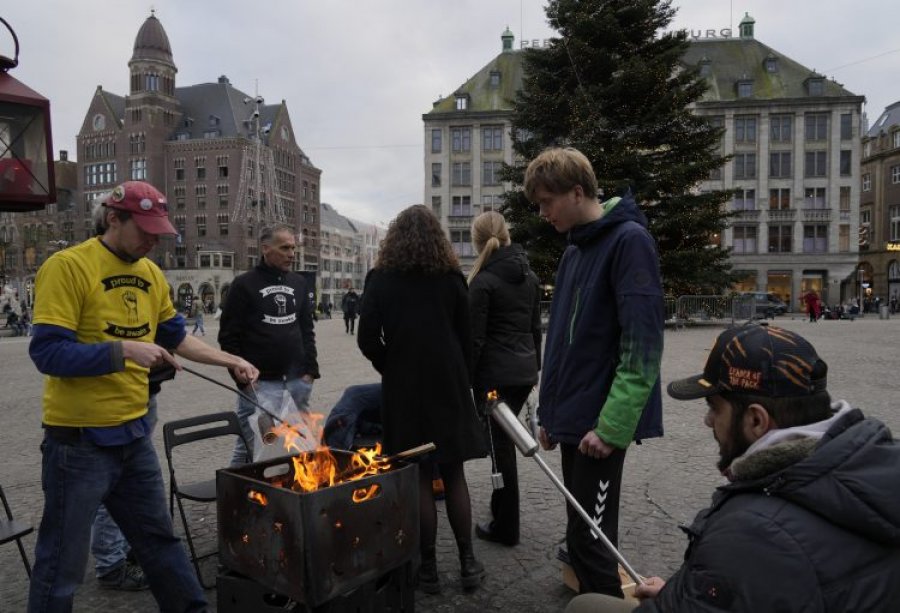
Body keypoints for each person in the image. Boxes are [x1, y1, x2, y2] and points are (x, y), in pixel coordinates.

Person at [27, 180, 259, 613]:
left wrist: (231, 360)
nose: (154, 240)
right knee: (61, 562)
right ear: (114, 218)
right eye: (146, 230)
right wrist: (123, 351)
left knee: (160, 542)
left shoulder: (151, 274)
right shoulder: (68, 266)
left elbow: (176, 338)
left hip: (134, 437)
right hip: (78, 443)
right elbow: (47, 352)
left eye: (159, 232)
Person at [567, 323, 900, 613]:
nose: (708, 420)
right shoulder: (874, 460)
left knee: (585, 607)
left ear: (756, 420)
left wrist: (674, 602)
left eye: (715, 408)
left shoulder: (752, 531)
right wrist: (686, 591)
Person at [525, 147, 664, 598]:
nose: (543, 213)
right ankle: (589, 598)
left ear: (577, 191)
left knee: (594, 540)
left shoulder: (628, 241)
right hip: (574, 418)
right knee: (578, 530)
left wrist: (612, 427)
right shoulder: (572, 253)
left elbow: (642, 346)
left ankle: (603, 603)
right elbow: (564, 345)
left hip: (601, 424)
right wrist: (551, 414)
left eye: (547, 201)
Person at [357, 205, 487, 594]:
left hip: (405, 389)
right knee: (453, 474)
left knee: (418, 475)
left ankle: (427, 568)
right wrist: (460, 376)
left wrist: (391, 366)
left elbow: (367, 339)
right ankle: (467, 563)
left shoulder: (380, 278)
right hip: (448, 385)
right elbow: (467, 338)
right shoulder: (451, 278)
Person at [467, 211, 542, 547]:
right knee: (505, 446)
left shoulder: (482, 283)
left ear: (478, 241)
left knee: (500, 451)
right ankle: (502, 515)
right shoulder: (530, 278)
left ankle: (505, 524)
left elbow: (475, 340)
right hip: (522, 372)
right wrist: (534, 367)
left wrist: (469, 380)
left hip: (495, 376)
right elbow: (534, 330)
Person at [219, 223, 319, 465]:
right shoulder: (243, 285)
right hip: (259, 385)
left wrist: (310, 371)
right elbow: (228, 336)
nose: (291, 254)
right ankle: (238, 497)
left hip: (297, 382)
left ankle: (290, 492)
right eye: (284, 248)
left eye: (293, 248)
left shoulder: (299, 283)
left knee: (298, 444)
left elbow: (307, 329)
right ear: (265, 248)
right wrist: (240, 379)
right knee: (254, 447)